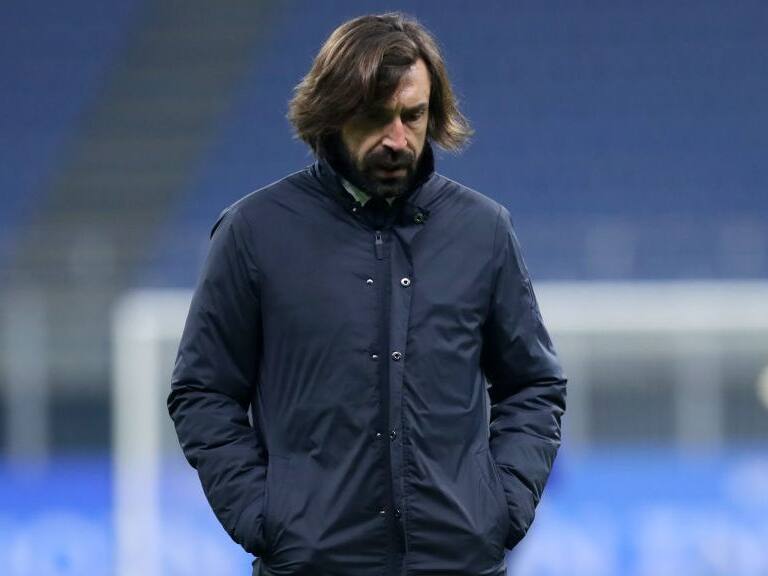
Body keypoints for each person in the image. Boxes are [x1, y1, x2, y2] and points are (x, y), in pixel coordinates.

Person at [167, 12, 566, 576]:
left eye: (413, 116)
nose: (398, 139)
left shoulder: (484, 231)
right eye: (376, 118)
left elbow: (533, 383)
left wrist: (501, 509)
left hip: (461, 562)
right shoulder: (254, 233)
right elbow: (202, 391)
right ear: (332, 113)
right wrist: (263, 516)